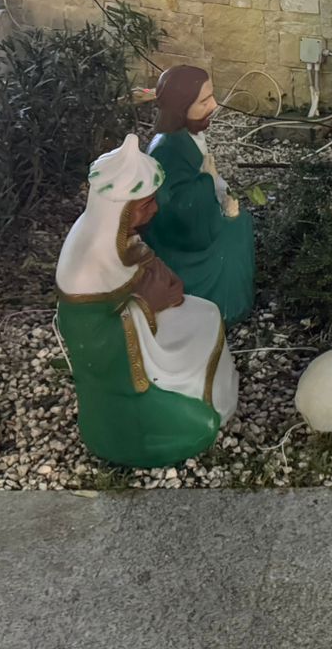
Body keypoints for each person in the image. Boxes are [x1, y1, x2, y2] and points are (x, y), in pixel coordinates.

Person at [55, 135, 238, 468]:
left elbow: (144, 265)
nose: (154, 209)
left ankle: (218, 399)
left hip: (142, 324)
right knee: (199, 425)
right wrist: (146, 305)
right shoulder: (84, 267)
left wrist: (161, 284)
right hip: (125, 371)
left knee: (206, 314)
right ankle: (163, 420)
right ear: (119, 210)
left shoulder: (118, 237)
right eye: (145, 204)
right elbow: (91, 342)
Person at [142, 65, 256, 324]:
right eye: (204, 101)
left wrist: (217, 189)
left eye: (211, 96)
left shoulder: (186, 135)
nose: (214, 105)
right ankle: (224, 307)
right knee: (235, 232)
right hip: (180, 241)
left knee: (241, 221)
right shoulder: (166, 150)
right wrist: (206, 180)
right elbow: (174, 208)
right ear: (181, 108)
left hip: (198, 219)